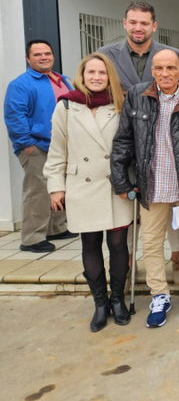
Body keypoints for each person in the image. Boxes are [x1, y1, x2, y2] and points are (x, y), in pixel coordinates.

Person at [110, 49, 179, 328]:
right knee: (152, 243)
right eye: (158, 68)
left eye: (170, 68)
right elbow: (123, 141)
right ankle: (160, 295)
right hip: (152, 187)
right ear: (152, 71)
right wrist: (120, 180)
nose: (164, 73)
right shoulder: (137, 95)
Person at [98, 2, 179, 285]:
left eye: (144, 23)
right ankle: (126, 263)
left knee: (172, 201)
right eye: (133, 22)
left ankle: (176, 255)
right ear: (124, 23)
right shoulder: (105, 55)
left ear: (154, 26)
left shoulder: (169, 54)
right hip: (123, 138)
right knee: (127, 204)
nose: (138, 28)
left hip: (163, 142)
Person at [44, 53, 133, 332]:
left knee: (118, 244)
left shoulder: (121, 102)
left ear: (110, 77)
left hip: (115, 186)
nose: (96, 77)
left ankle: (117, 299)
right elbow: (57, 149)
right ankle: (100, 303)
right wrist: (55, 187)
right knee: (90, 244)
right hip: (80, 186)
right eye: (90, 72)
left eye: (102, 73)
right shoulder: (67, 107)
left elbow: (134, 146)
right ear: (81, 75)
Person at [4, 39, 76, 252]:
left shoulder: (61, 80)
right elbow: (15, 115)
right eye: (37, 54)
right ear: (28, 58)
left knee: (59, 187)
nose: (44, 57)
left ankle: (56, 227)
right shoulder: (21, 84)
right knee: (37, 191)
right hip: (36, 147)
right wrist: (26, 144)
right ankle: (32, 238)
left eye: (47, 53)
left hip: (61, 145)